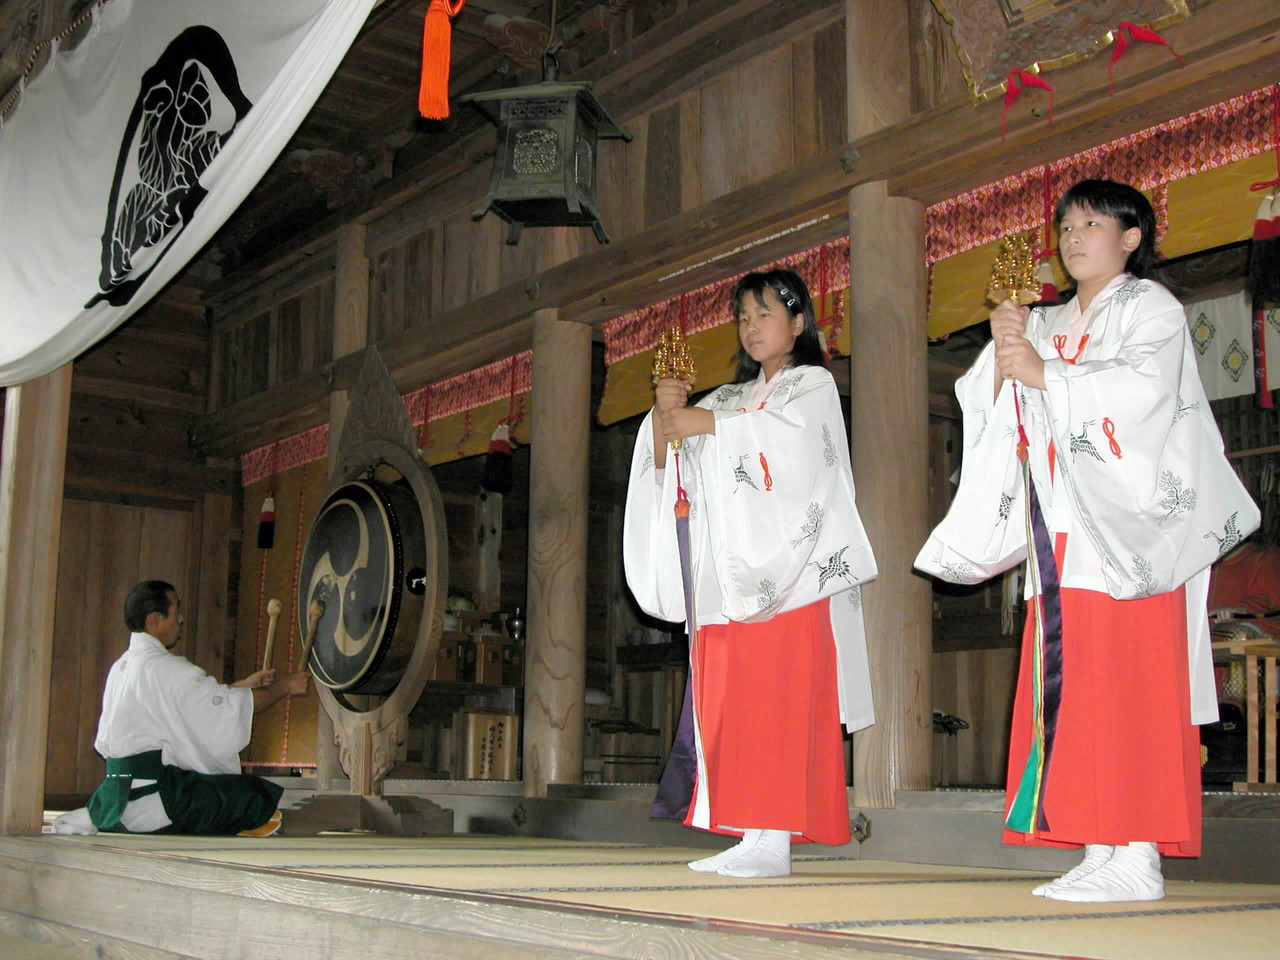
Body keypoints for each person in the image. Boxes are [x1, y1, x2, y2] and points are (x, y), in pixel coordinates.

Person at [915, 179, 1260, 902]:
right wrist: (1007, 344)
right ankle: (1103, 843)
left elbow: (1143, 397)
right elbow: (994, 402)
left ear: (1132, 238)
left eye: (1093, 223)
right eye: (1067, 225)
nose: (1074, 237)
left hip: (1128, 533)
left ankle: (1138, 850)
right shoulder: (1049, 320)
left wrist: (1047, 374)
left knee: (1128, 688)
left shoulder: (1149, 307)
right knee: (1075, 690)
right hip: (1063, 531)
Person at [623, 268, 876, 879]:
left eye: (766, 313)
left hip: (789, 579)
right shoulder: (729, 398)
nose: (753, 326)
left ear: (797, 322)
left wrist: (709, 427)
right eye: (744, 316)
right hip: (730, 580)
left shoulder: (810, 385)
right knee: (735, 704)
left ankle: (775, 836)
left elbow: (793, 452)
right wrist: (666, 420)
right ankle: (749, 828)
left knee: (781, 704)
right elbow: (674, 466)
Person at [53, 580, 309, 837]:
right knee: (252, 795)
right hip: (152, 802)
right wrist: (286, 686)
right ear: (155, 619)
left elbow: (186, 708)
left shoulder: (124, 665)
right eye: (176, 611)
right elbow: (217, 711)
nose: (181, 619)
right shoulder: (163, 667)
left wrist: (244, 687)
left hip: (113, 803)